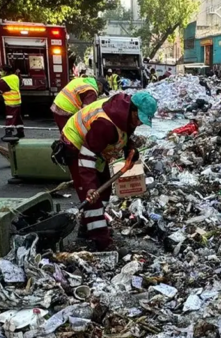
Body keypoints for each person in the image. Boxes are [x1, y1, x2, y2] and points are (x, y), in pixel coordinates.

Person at [53, 91, 157, 251]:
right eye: (139, 119)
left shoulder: (126, 116)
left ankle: (88, 228)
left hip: (96, 148)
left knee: (105, 191)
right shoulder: (106, 124)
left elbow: (125, 134)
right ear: (133, 110)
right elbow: (86, 156)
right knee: (92, 198)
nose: (139, 124)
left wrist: (130, 149)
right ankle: (101, 242)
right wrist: (89, 187)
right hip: (75, 146)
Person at [0, 64, 23, 142]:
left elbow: (0, 89)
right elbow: (21, 84)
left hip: (10, 101)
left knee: (10, 117)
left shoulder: (5, 79)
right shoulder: (15, 77)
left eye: (1, 70)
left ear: (5, 71)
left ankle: (9, 132)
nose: (0, 72)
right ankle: (20, 132)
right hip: (17, 100)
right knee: (17, 117)